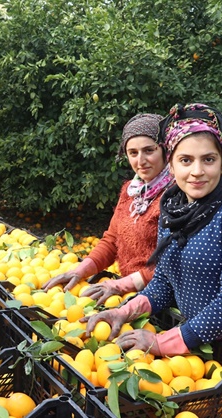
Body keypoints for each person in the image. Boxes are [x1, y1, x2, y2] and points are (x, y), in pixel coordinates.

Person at [83, 103, 222, 373]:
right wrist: (124, 311)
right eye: (186, 160)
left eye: (208, 159)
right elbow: (164, 281)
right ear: (172, 166)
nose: (197, 171)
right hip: (192, 354)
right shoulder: (174, 211)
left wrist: (162, 342)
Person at [42, 113, 173, 303]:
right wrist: (81, 270)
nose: (140, 160)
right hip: (128, 295)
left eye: (149, 150)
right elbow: (112, 240)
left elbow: (172, 265)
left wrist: (122, 285)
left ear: (164, 150)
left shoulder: (176, 197)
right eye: (133, 153)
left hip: (160, 299)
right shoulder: (131, 191)